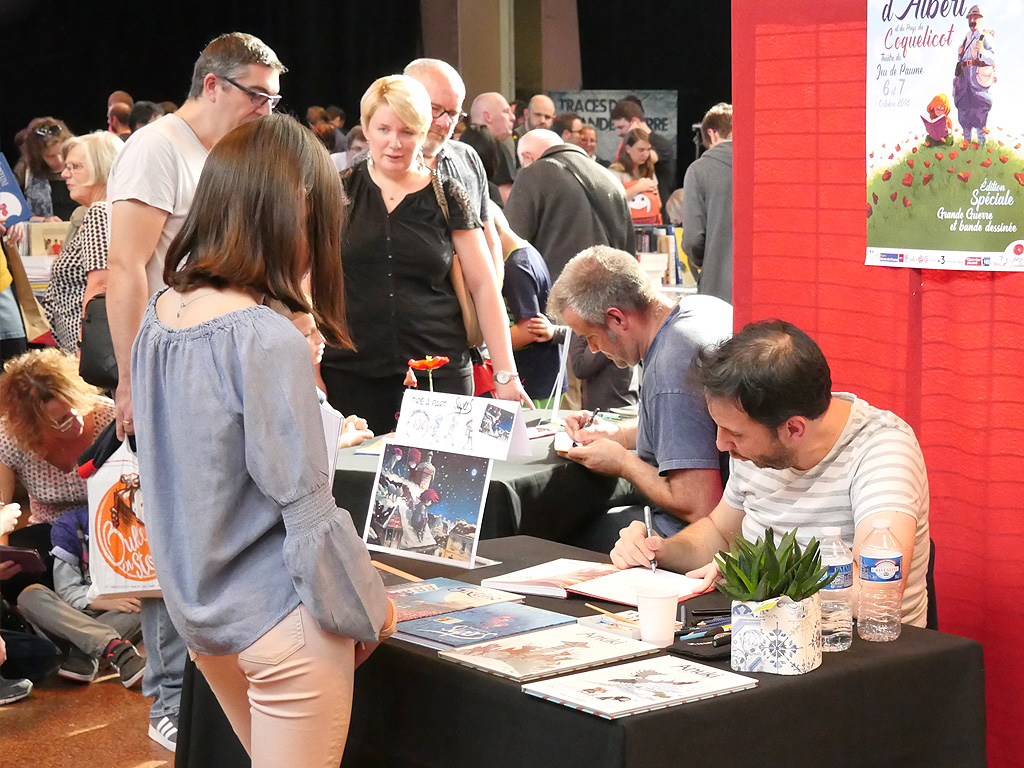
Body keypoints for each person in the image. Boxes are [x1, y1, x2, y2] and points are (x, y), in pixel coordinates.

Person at [132, 113, 395, 767]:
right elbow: (306, 508)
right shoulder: (260, 337)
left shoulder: (160, 315)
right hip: (282, 620)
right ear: (296, 209)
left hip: (205, 617)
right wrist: (367, 607)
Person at [104, 31, 287, 751]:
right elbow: (125, 268)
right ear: (214, 85)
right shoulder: (158, 149)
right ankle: (169, 698)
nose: (268, 111)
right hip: (169, 366)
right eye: (259, 95)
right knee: (174, 535)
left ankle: (212, 695)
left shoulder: (226, 153)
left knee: (214, 527)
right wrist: (129, 378)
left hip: (218, 363)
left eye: (276, 98)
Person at [611, 320, 931, 627]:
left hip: (851, 649)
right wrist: (661, 550)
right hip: (761, 632)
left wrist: (759, 573)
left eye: (734, 433)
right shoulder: (755, 446)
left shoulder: (882, 451)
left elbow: (877, 596)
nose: (722, 444)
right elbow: (721, 534)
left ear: (793, 428)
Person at [320, 75, 530, 434]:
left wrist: (505, 373)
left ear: (422, 133)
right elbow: (306, 284)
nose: (394, 143)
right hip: (349, 376)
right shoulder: (336, 191)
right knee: (353, 487)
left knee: (440, 488)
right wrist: (310, 375)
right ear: (366, 129)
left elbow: (483, 287)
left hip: (439, 377)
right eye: (384, 129)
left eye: (407, 132)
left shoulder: (448, 195)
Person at [550, 246, 732, 543]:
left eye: (590, 337)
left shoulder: (670, 368)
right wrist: (618, 434)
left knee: (566, 530)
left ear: (617, 319)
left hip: (699, 538)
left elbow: (699, 505)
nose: (593, 349)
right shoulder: (703, 307)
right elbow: (693, 424)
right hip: (749, 517)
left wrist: (623, 462)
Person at [404, 58, 504, 273]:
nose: (444, 123)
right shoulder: (367, 168)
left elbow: (490, 240)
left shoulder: (467, 158)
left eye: (453, 113)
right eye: (434, 109)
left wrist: (491, 298)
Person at [507, 129, 634, 280]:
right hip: (610, 292)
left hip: (558, 294)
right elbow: (629, 252)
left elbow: (511, 244)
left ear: (526, 157)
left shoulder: (532, 173)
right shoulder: (611, 179)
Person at [43, 132, 123, 353]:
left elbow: (100, 285)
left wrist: (83, 345)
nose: (65, 173)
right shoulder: (113, 210)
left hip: (87, 347)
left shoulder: (99, 212)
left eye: (75, 166)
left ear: (102, 168)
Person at [494, 208, 566, 408]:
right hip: (541, 375)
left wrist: (491, 347)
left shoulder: (516, 266)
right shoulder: (526, 253)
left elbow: (529, 329)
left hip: (534, 381)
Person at [682, 103, 733, 304]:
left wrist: (707, 260)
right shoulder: (767, 163)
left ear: (711, 134)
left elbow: (693, 240)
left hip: (718, 291)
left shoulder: (699, 170)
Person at [610, 98, 675, 202]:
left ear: (634, 122)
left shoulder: (661, 144)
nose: (618, 133)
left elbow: (646, 158)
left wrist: (634, 136)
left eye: (621, 127)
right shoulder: (626, 147)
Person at [12, 118, 76, 222]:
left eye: (61, 153)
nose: (59, 161)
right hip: (43, 235)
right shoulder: (26, 169)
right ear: (38, 156)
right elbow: (12, 210)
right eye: (50, 156)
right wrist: (43, 221)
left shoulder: (80, 167)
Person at [953, 5, 996, 144]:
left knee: (979, 111)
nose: (972, 20)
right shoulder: (967, 37)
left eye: (975, 18)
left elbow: (992, 58)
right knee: (964, 111)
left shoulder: (985, 37)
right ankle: (967, 144)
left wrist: (983, 51)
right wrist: (960, 55)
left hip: (977, 81)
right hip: (964, 80)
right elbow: (964, 59)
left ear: (980, 19)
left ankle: (982, 146)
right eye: (970, 18)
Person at [608, 128, 662, 225]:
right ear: (628, 149)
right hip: (624, 225)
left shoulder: (648, 170)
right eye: (641, 150)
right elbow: (613, 201)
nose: (645, 154)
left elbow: (659, 203)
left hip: (648, 224)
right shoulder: (616, 171)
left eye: (648, 150)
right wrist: (639, 187)